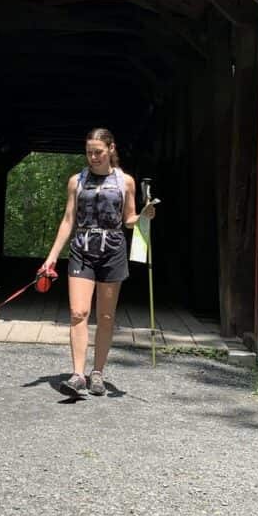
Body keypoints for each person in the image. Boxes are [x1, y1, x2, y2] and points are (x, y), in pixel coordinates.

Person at [39, 128, 157, 398]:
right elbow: (69, 219)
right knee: (78, 312)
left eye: (98, 152)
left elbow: (128, 219)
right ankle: (78, 374)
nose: (93, 157)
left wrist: (143, 216)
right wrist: (52, 256)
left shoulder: (125, 181)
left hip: (113, 249)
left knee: (105, 316)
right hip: (82, 248)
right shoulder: (76, 181)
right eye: (89, 152)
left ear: (111, 149)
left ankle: (98, 373)